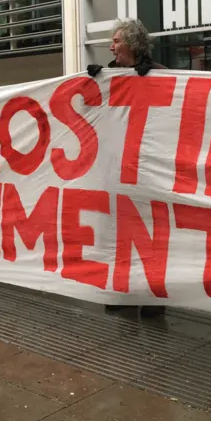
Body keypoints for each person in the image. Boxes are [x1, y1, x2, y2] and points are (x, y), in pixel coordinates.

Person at [87, 19, 166, 320]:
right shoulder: (107, 76)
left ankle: (153, 299)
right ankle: (121, 292)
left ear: (132, 44)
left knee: (149, 232)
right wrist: (94, 83)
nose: (111, 47)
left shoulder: (158, 74)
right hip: (117, 167)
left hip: (147, 168)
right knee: (118, 232)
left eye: (116, 41)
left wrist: (152, 83)